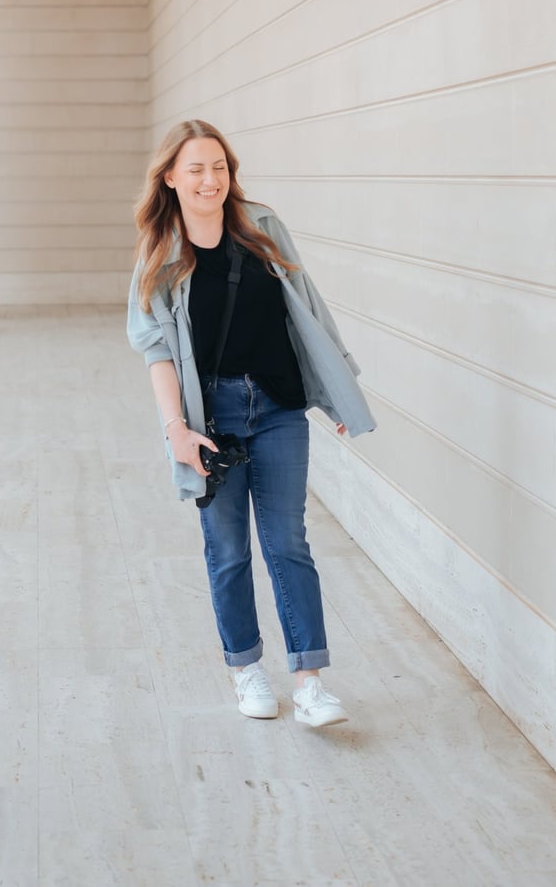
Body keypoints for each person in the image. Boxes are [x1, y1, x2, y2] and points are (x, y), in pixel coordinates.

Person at [126, 119, 376, 727]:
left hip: (279, 406)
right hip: (212, 417)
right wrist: (176, 430)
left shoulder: (261, 225)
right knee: (228, 549)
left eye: (219, 167)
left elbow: (307, 308)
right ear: (170, 177)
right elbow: (156, 350)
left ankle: (310, 683)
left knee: (288, 542)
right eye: (195, 169)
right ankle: (246, 669)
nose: (210, 179)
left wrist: (337, 393)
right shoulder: (160, 253)